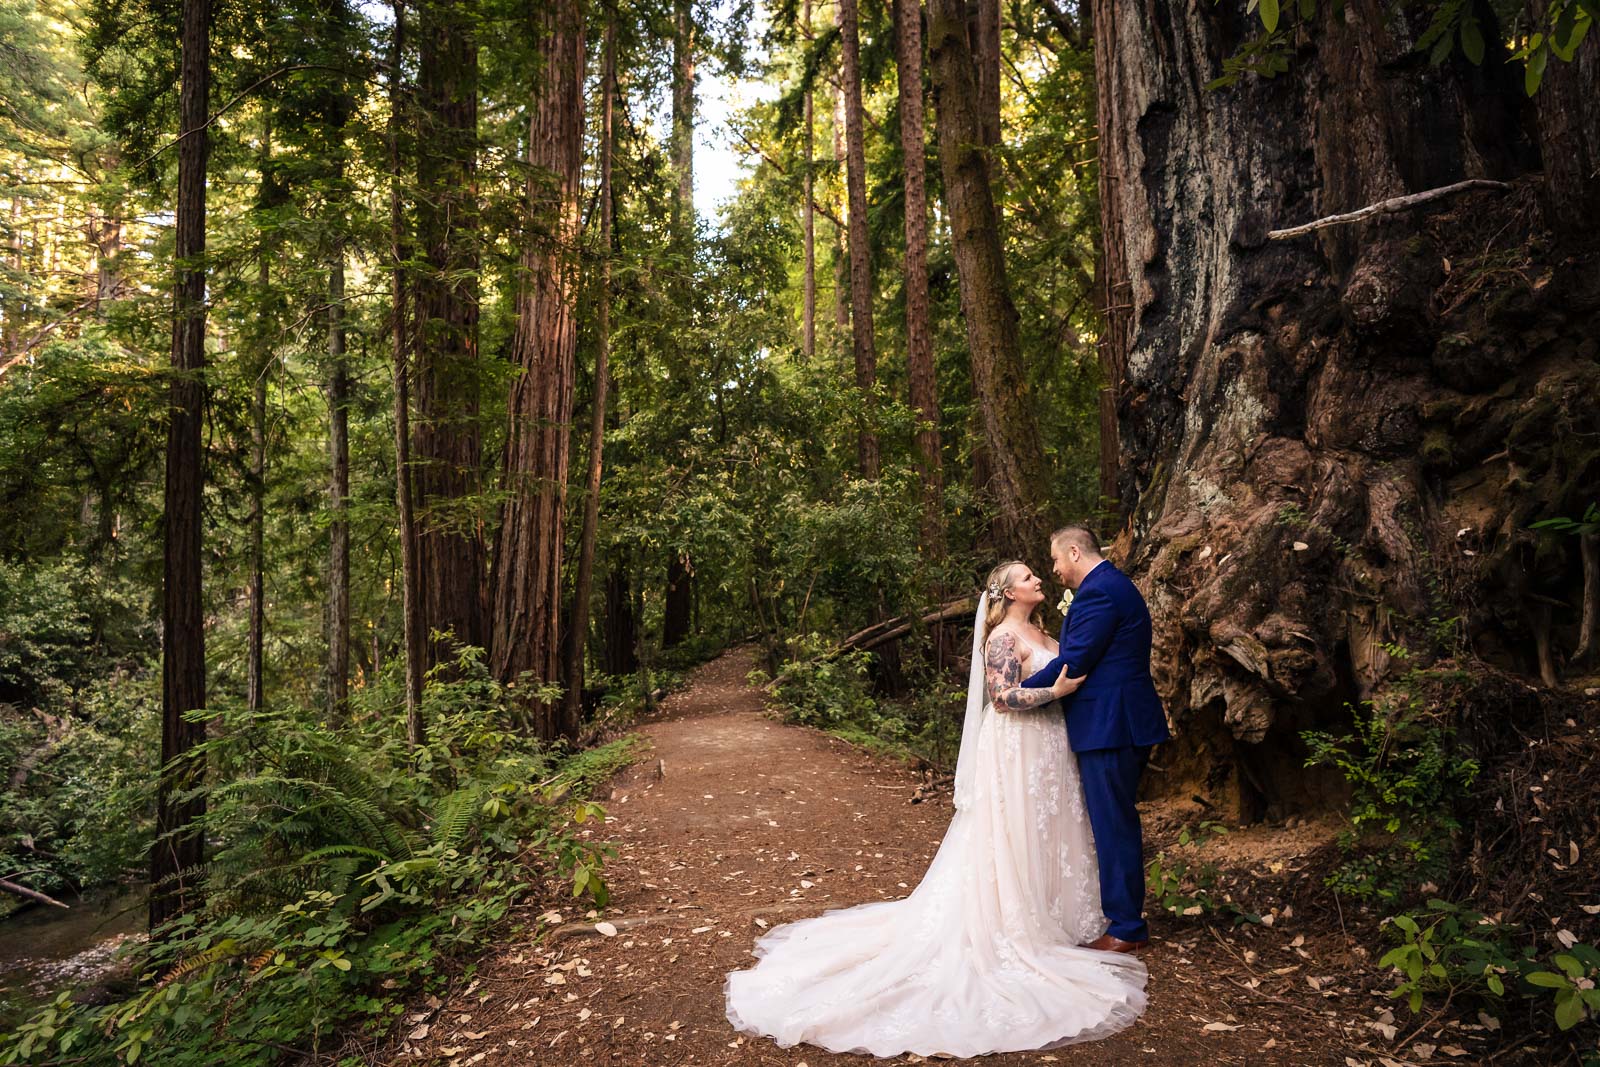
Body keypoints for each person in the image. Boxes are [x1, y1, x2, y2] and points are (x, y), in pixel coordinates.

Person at [723, 561, 1148, 1058]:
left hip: (1052, 745)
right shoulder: (1002, 640)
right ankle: (1017, 921)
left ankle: (1060, 911)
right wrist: (1054, 691)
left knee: (1051, 828)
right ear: (1008, 593)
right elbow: (1002, 697)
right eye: (1029, 577)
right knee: (1014, 833)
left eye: (1038, 573)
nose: (1039, 579)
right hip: (1017, 745)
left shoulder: (1045, 629)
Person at [1019, 525, 1172, 952]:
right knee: (1112, 820)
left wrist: (1019, 694)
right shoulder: (1112, 585)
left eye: (1053, 560)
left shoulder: (1100, 592)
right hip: (1116, 722)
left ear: (1073, 552)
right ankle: (1121, 917)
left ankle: (1125, 927)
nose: (1053, 570)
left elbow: (1075, 662)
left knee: (1113, 823)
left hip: (1111, 724)